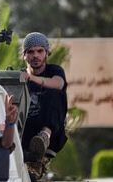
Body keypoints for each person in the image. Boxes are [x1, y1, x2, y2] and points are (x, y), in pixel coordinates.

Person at [20, 32, 68, 178]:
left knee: (56, 93)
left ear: (47, 53)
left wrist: (32, 78)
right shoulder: (20, 76)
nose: (35, 55)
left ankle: (44, 137)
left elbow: (58, 84)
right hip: (26, 132)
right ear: (24, 56)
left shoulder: (55, 71)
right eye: (31, 52)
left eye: (40, 51)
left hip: (50, 133)